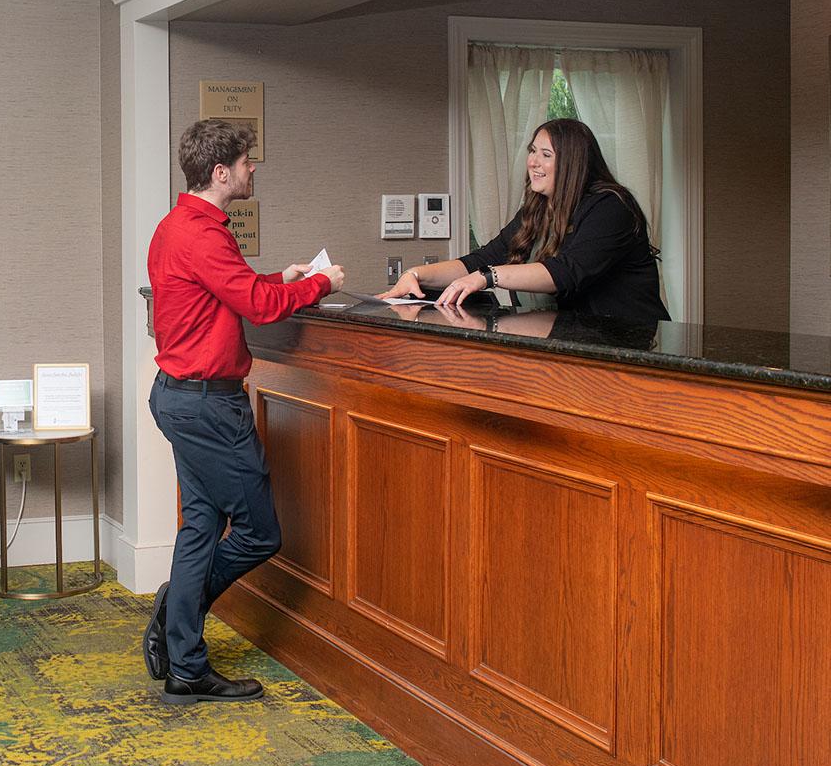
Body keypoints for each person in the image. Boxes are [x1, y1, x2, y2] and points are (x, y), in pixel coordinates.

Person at [144, 119, 345, 704]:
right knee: (259, 534)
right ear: (220, 172)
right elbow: (257, 308)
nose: (254, 169)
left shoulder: (179, 225)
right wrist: (319, 284)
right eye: (247, 161)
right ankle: (178, 616)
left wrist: (280, 277)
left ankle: (184, 660)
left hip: (183, 397)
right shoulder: (201, 234)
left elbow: (229, 291)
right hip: (207, 407)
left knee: (202, 528)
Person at [385, 118, 669, 323]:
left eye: (546, 155)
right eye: (532, 151)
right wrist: (416, 274)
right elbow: (482, 258)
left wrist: (487, 277)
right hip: (570, 342)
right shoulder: (538, 209)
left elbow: (565, 272)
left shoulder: (611, 207)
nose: (533, 161)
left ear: (572, 164)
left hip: (630, 344)